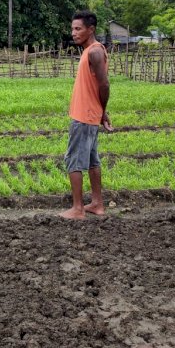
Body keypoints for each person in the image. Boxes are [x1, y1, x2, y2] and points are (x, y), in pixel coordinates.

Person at [60, 11, 113, 219]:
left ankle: (77, 208)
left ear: (91, 30)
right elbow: (96, 86)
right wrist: (102, 112)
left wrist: (103, 111)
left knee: (73, 160)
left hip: (83, 117)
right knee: (92, 161)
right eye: (72, 29)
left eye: (78, 29)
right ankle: (97, 204)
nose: (73, 33)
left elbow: (105, 84)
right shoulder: (91, 51)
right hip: (90, 114)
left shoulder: (94, 52)